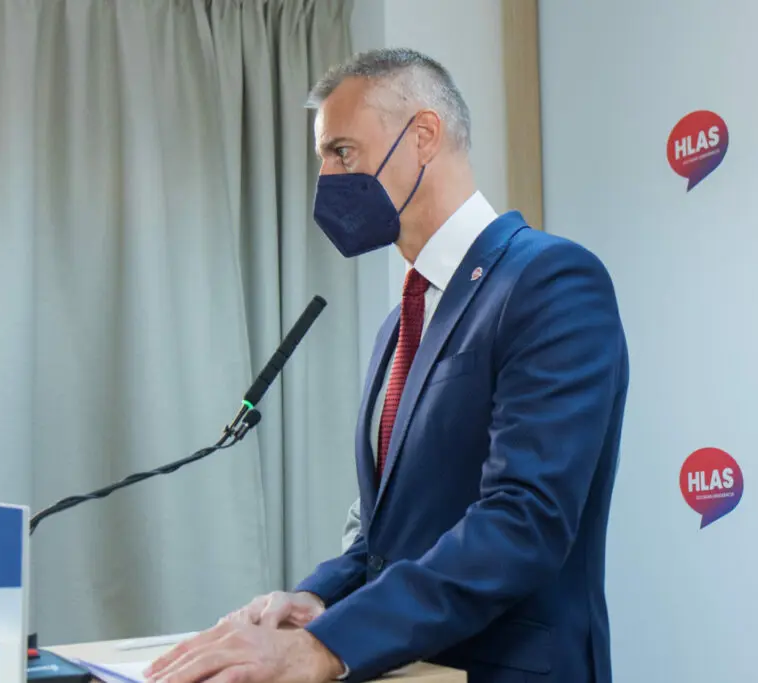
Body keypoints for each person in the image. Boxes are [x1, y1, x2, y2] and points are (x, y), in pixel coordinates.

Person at [145, 47, 628, 683]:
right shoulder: (401, 323)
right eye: (322, 158)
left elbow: (524, 521)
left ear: (423, 136)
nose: (326, 177)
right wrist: (318, 600)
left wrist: (326, 647)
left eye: (342, 152)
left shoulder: (550, 280)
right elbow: (389, 538)